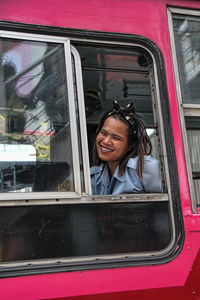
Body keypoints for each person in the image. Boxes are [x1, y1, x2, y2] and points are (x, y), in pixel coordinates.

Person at [90, 100, 162, 195]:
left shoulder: (145, 168)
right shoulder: (96, 175)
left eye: (116, 138)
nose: (106, 141)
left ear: (130, 146)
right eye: (104, 133)